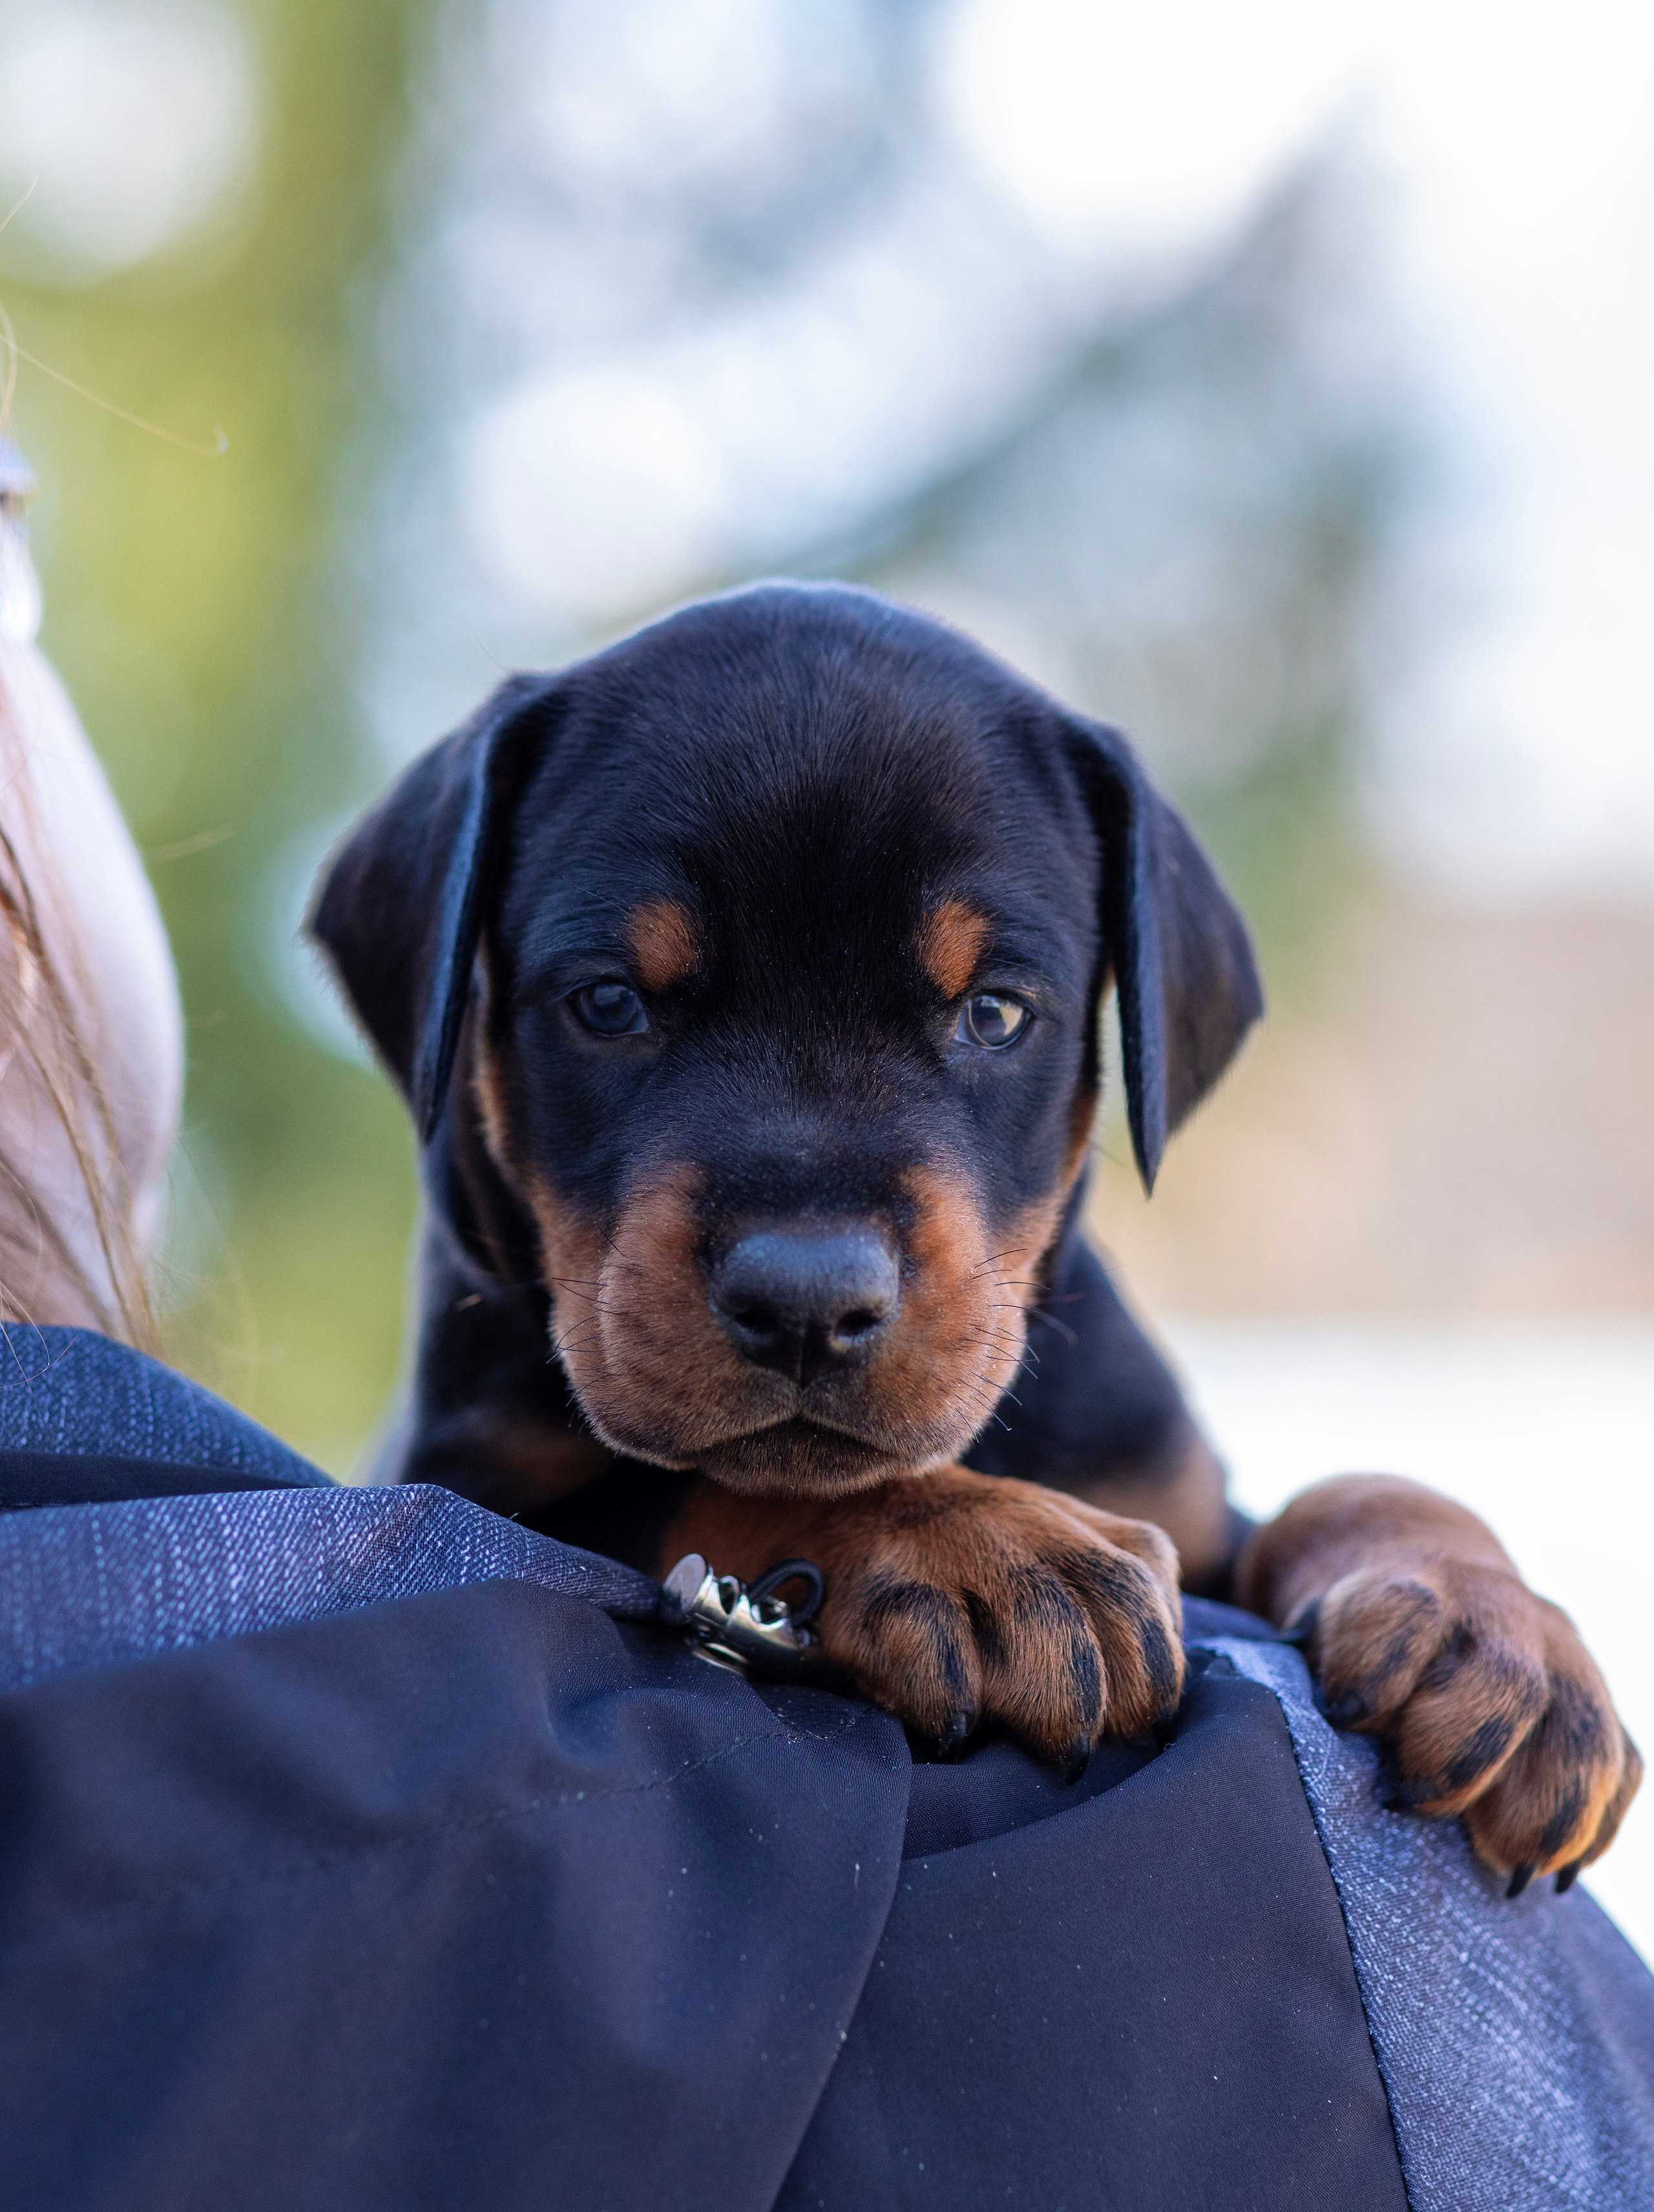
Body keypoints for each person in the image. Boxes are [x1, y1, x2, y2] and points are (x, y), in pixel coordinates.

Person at [1, 445, 1651, 2212]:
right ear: (452, 1020)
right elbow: (519, 1611)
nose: (812, 1267)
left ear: (1126, 1049)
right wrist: (801, 1543)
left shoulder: (1090, 1404)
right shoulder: (441, 1512)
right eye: (618, 1005)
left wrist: (1408, 1551)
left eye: (991, 1012)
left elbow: (1225, 1565)